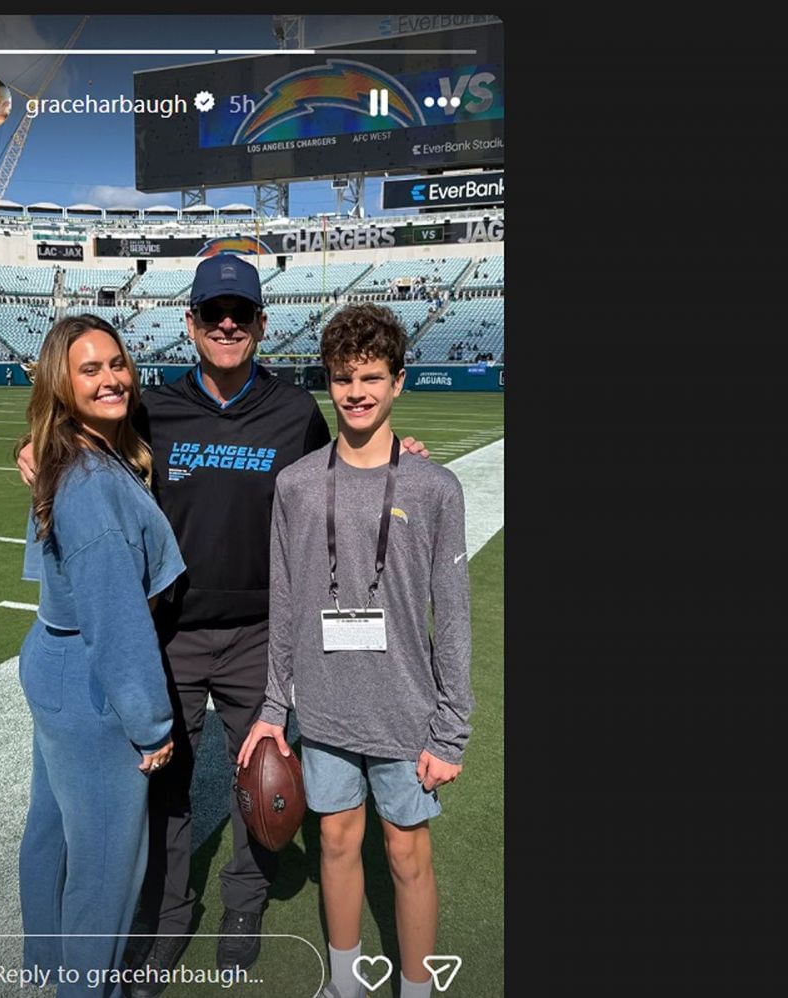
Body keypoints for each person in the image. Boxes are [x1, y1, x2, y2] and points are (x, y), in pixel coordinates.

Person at [18, 256, 427, 996]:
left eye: (241, 313)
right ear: (192, 325)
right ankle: (168, 918)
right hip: (170, 631)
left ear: (262, 324)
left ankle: (243, 912)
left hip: (263, 634)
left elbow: (336, 481)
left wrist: (398, 460)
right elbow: (88, 447)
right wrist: (37, 450)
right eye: (214, 314)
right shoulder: (151, 407)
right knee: (166, 790)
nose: (228, 325)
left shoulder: (295, 411)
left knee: (263, 790)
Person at [238, 302, 473, 998]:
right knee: (337, 844)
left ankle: (418, 988)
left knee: (406, 855)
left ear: (399, 381)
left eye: (371, 376)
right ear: (328, 384)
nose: (357, 391)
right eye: (342, 378)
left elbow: (453, 619)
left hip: (406, 711)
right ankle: (344, 983)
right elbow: (284, 603)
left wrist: (451, 731)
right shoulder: (297, 486)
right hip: (326, 705)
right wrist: (275, 707)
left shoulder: (435, 488)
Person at [14, 314, 181, 998]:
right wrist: (151, 723)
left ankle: (48, 972)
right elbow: (115, 619)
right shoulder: (87, 478)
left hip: (55, 663)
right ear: (62, 382)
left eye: (116, 362)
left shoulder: (71, 453)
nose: (111, 377)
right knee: (106, 870)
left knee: (51, 832)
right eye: (90, 369)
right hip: (91, 679)